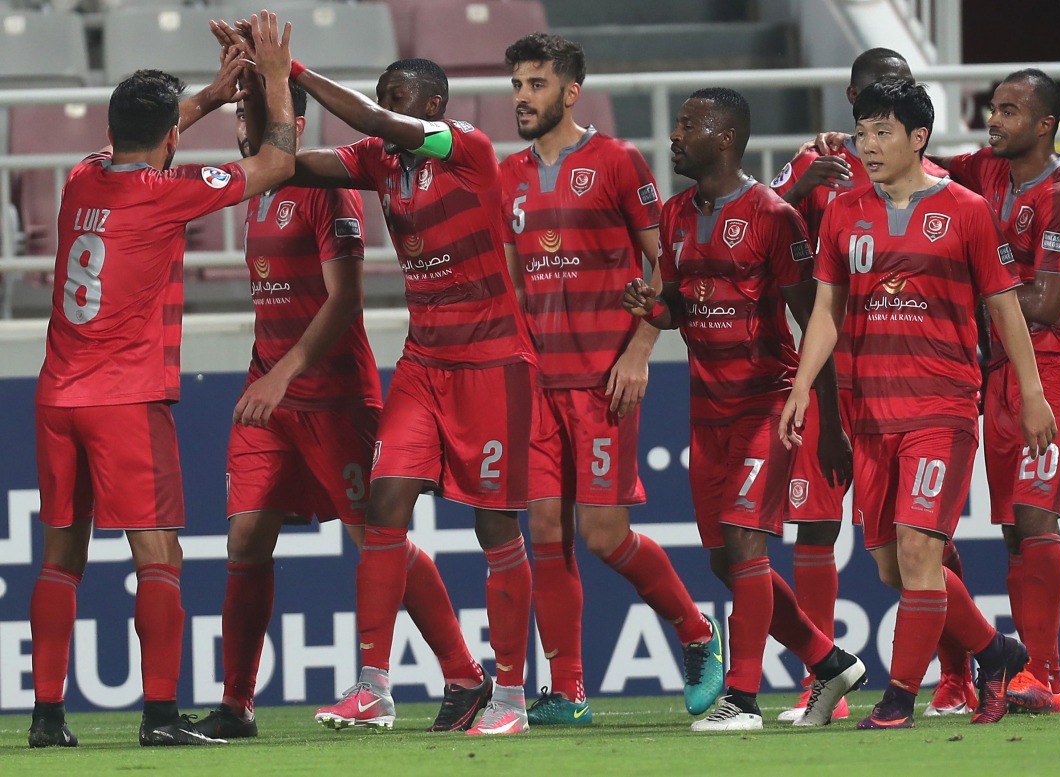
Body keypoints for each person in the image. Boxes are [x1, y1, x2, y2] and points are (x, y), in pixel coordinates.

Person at [192, 65, 492, 737]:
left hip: (331, 394)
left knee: (374, 536)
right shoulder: (256, 189)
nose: (242, 128)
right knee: (245, 536)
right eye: (239, 116)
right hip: (266, 392)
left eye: (256, 114)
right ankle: (236, 704)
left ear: (294, 125)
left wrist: (285, 375)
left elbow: (346, 300)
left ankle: (467, 674)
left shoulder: (328, 191)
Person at [28, 12, 295, 748]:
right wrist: (270, 78)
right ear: (171, 139)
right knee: (158, 556)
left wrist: (210, 94)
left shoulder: (83, 176)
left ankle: (47, 719)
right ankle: (158, 717)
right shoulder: (164, 192)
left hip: (56, 396)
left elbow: (150, 128)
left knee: (61, 556)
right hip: (124, 398)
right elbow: (273, 166)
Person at [778, 79, 1057, 729]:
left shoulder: (964, 209)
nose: (867, 145)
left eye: (882, 132)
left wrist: (1034, 392)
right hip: (871, 413)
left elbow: (1005, 308)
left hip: (942, 407)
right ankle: (996, 649)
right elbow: (826, 310)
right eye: (862, 131)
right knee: (890, 565)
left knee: (916, 551)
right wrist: (801, 385)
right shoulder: (845, 211)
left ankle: (900, 694)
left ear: (918, 138)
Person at [274, 53, 536, 735]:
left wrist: (295, 69)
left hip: (491, 361)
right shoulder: (381, 160)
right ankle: (374, 686)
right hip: (424, 359)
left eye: (397, 97)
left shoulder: (466, 148)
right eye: (384, 94)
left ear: (431, 106)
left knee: (495, 526)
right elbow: (296, 166)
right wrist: (263, 91)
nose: (384, 105)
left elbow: (369, 118)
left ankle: (509, 698)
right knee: (384, 504)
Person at [498, 33, 724, 725]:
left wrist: (640, 348)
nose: (521, 97)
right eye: (516, 85)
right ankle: (566, 690)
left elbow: (670, 261)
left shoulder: (618, 162)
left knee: (603, 535)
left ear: (570, 92)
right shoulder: (507, 175)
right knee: (543, 526)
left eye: (535, 84)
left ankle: (697, 633)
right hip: (538, 382)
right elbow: (511, 279)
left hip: (604, 378)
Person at [623, 87, 865, 732]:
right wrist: (648, 308)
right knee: (725, 561)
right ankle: (828, 658)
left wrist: (831, 427)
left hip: (770, 403)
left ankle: (743, 698)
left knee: (743, 543)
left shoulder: (773, 217)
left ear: (725, 137)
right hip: (709, 411)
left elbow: (815, 322)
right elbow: (676, 309)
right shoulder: (674, 216)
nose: (674, 137)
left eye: (687, 126)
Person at [772, 48, 978, 721]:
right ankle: (821, 678)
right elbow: (754, 223)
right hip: (834, 379)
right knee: (822, 527)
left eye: (888, 109)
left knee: (926, 544)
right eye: (863, 108)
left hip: (917, 389)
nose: (869, 130)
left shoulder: (943, 189)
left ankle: (953, 675)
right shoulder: (815, 167)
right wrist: (800, 192)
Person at [936, 69, 1060, 714]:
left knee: (1036, 515)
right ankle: (1028, 674)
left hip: (1057, 366)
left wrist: (971, 282)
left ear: (1045, 124)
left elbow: (1044, 301)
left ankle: (1048, 676)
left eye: (1009, 111)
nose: (994, 119)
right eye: (993, 108)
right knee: (1011, 526)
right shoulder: (988, 170)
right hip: (1002, 368)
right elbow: (922, 168)